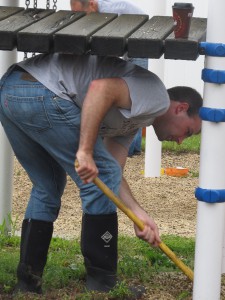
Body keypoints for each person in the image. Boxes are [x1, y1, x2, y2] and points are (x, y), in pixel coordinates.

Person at [0, 53, 202, 296]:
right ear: (181, 108)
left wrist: (139, 214)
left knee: (47, 185)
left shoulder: (133, 120)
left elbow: (112, 173)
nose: (180, 141)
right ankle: (103, 286)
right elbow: (100, 89)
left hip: (11, 89)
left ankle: (27, 284)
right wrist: (85, 151)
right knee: (94, 182)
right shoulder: (157, 97)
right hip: (43, 90)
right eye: (188, 132)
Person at [71, 0, 147, 157]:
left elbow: (111, 45)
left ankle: (132, 147)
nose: (81, 19)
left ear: (92, 4)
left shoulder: (113, 11)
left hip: (140, 45)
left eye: (82, 15)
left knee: (136, 96)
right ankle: (125, 145)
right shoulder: (101, 14)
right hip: (124, 44)